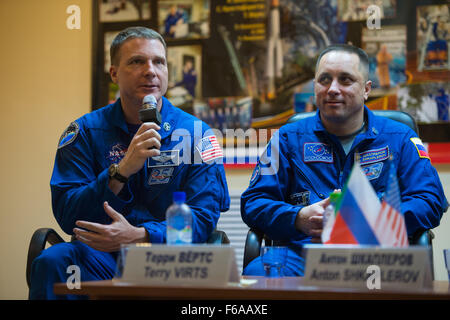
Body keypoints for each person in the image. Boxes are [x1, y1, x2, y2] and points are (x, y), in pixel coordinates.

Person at [29, 27, 230, 299]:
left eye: (159, 62)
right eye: (137, 61)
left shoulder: (198, 134)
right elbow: (68, 214)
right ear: (114, 73)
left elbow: (204, 215)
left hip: (169, 259)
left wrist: (140, 235)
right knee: (53, 262)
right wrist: (121, 170)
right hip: (100, 258)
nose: (150, 70)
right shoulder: (85, 132)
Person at [241, 44, 448, 276]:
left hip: (378, 257)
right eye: (324, 79)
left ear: (366, 89)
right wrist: (297, 218)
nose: (333, 89)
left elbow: (429, 200)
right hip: (303, 257)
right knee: (257, 273)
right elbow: (254, 202)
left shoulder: (400, 138)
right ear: (315, 86)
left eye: (346, 80)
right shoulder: (287, 139)